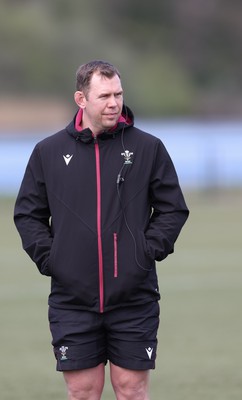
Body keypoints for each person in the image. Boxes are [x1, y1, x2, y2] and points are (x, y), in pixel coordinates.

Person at [14, 60, 189, 400]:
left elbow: (172, 208)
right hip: (72, 299)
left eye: (118, 94)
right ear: (81, 99)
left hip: (133, 296)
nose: (114, 103)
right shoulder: (48, 152)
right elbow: (28, 215)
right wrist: (53, 260)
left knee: (131, 390)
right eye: (105, 95)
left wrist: (145, 250)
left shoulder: (148, 148)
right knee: (82, 392)